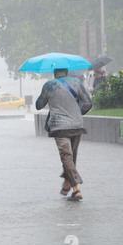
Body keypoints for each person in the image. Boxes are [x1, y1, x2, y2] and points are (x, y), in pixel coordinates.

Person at [35, 69, 93, 201]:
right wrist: (77, 113)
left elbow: (39, 105)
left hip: (60, 127)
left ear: (54, 74)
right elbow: (88, 103)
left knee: (66, 157)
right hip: (77, 125)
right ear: (66, 73)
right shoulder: (76, 82)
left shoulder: (49, 85)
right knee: (71, 158)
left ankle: (76, 189)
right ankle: (67, 184)